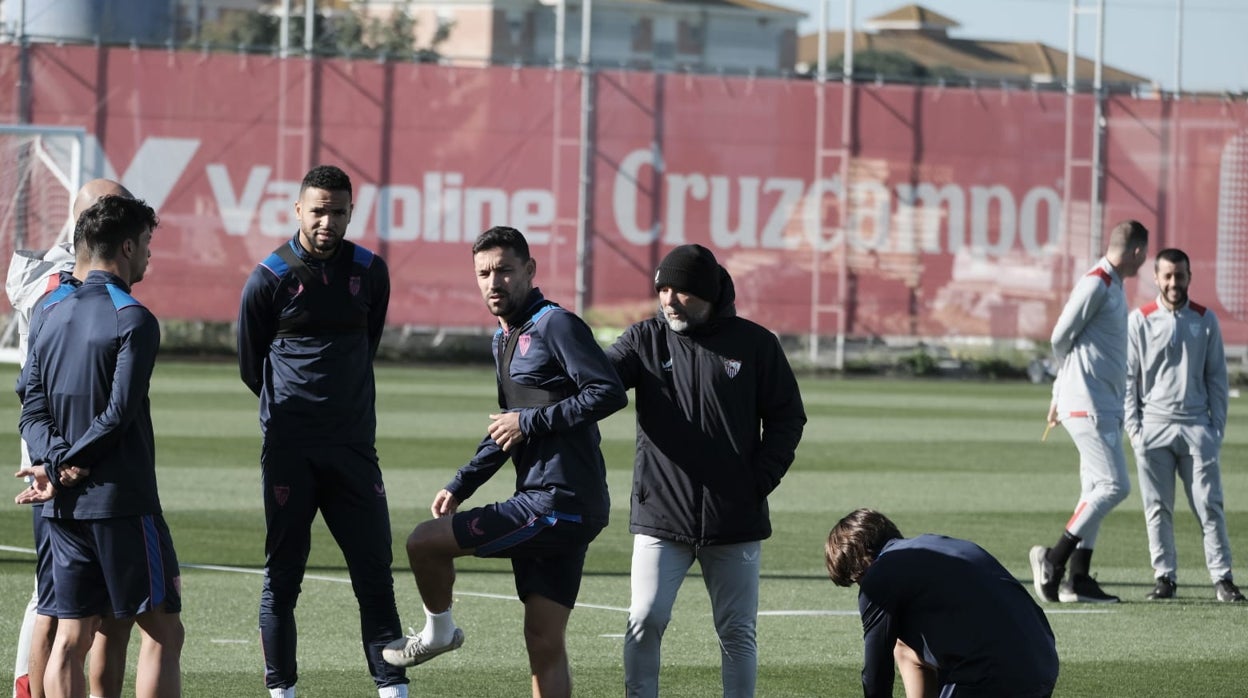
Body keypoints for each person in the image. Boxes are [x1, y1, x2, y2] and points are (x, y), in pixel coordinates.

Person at [382, 226, 626, 698]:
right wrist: (462, 483)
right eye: (484, 273)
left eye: (504, 270)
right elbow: (507, 427)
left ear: (530, 271)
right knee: (543, 641)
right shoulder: (504, 338)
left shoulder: (555, 324)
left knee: (423, 543)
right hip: (550, 500)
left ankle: (438, 633)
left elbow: (607, 392)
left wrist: (529, 424)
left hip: (559, 501)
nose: (494, 282)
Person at [236, 165, 407, 698]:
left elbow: (368, 340)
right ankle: (281, 690)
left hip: (354, 448)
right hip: (291, 450)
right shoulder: (268, 277)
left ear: (351, 212)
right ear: (297, 212)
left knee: (375, 575)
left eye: (337, 211)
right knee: (283, 579)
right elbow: (251, 365)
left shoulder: (370, 271)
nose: (327, 221)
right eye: (318, 210)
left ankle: (392, 690)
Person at [606, 244, 806, 698]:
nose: (669, 300)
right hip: (661, 514)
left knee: (737, 632)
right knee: (644, 618)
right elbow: (600, 380)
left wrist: (758, 482)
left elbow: (787, 418)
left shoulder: (756, 344)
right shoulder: (644, 340)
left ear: (710, 294)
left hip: (734, 518)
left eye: (682, 291)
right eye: (663, 288)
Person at [14, 195, 183, 698]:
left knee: (71, 636)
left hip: (61, 508)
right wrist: (71, 462)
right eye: (148, 244)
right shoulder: (134, 319)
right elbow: (117, 415)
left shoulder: (48, 312)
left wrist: (52, 462)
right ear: (127, 246)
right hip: (121, 503)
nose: (150, 256)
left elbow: (30, 406)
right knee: (164, 631)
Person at [9, 179, 135, 698]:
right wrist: (65, 458)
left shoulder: (61, 279)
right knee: (57, 603)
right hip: (62, 462)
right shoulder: (61, 285)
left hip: (71, 457)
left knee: (84, 607)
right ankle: (28, 689)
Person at [1030, 220, 1149, 604]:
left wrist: (1059, 391)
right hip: (1089, 403)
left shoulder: (1113, 284)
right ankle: (1054, 558)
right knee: (1116, 486)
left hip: (1102, 403)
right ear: (1136, 251)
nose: (1144, 261)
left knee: (1094, 489)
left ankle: (1077, 580)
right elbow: (1060, 335)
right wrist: (1064, 390)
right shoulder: (1097, 281)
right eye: (1144, 255)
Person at [827, 509, 1059, 698]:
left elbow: (876, 672)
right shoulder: (942, 546)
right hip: (1043, 665)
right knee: (903, 646)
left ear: (860, 567)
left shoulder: (879, 574)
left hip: (989, 677)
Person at [1125, 248, 1244, 602]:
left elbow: (1217, 379)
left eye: (1180, 275)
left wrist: (1215, 429)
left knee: (1209, 505)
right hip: (1154, 429)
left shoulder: (1205, 320)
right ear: (1157, 278)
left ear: (1190, 276)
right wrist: (1135, 431)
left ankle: (1222, 578)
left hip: (1196, 428)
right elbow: (1128, 379)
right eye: (1167, 276)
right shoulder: (1141, 319)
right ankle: (1165, 577)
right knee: (1157, 507)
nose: (1174, 283)